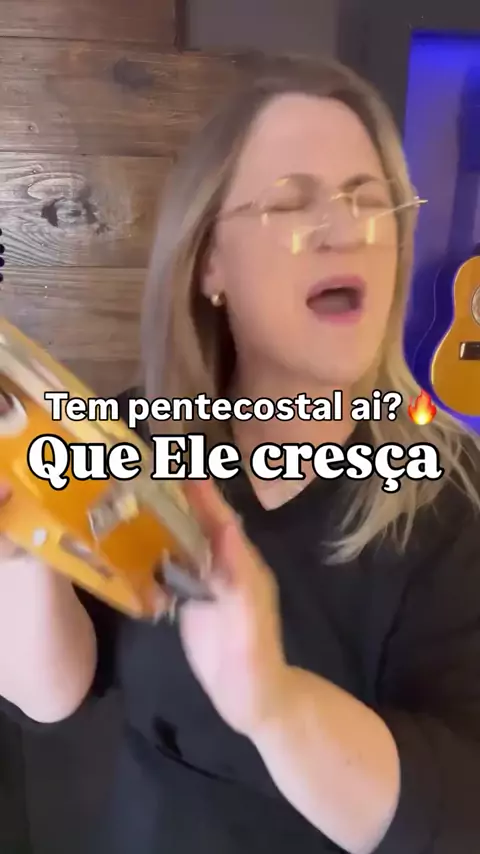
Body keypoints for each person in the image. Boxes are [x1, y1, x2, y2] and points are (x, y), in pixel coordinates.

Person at [1, 53, 480, 854]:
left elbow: (461, 813)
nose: (346, 230)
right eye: (290, 203)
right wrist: (21, 541)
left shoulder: (453, 499)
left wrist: (274, 702)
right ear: (209, 265)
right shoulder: (134, 438)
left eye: (370, 201)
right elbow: (50, 694)